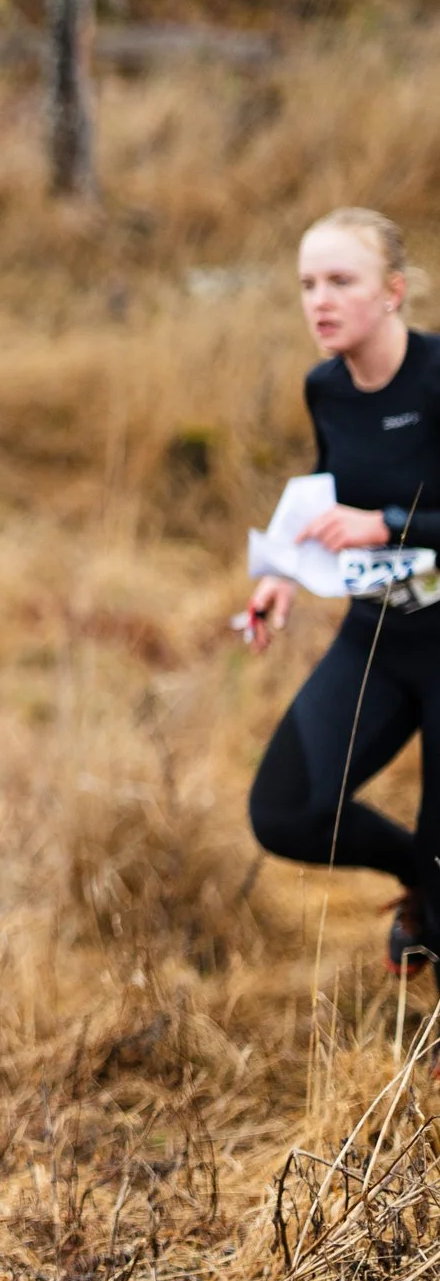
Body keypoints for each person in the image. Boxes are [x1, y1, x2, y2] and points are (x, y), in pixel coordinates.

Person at [243, 207, 440, 976]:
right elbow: (327, 496)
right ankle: (419, 878)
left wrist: (390, 524)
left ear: (392, 291)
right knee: (284, 812)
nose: (319, 299)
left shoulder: (434, 378)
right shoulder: (325, 387)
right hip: (380, 639)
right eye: (307, 283)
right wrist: (283, 574)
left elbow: (368, 516)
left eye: (340, 281)